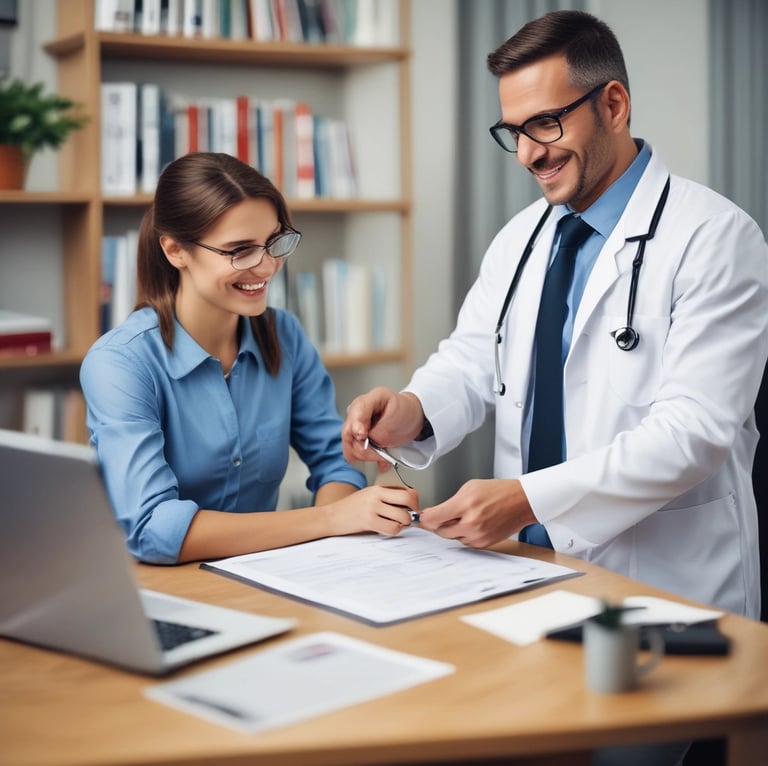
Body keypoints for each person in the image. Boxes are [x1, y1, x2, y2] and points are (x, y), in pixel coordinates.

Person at [343, 10, 768, 622]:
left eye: (544, 124)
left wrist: (526, 499)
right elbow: (470, 360)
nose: (525, 155)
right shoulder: (521, 237)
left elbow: (692, 434)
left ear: (613, 105)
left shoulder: (716, 237)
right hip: (525, 573)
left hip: (666, 583)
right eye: (512, 131)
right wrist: (410, 411)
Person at [80, 152, 417, 565]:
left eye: (274, 242)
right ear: (175, 250)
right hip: (154, 591)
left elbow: (336, 461)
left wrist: (347, 523)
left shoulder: (284, 334)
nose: (267, 266)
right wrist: (330, 519)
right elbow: (154, 528)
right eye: (239, 250)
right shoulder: (120, 363)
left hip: (263, 577)